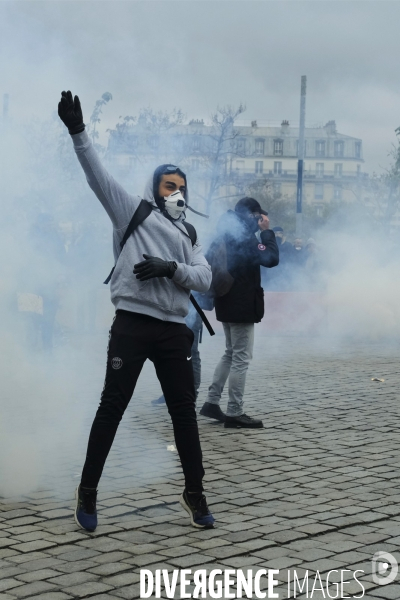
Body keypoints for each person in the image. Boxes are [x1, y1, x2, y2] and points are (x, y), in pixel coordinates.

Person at [58, 90, 215, 532]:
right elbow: (98, 177)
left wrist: (173, 269)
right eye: (170, 185)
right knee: (112, 407)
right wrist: (78, 133)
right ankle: (87, 491)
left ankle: (195, 494)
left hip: (173, 331)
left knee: (184, 413)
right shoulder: (133, 212)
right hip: (131, 325)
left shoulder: (189, 233)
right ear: (154, 187)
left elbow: (205, 277)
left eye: (182, 186)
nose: (178, 192)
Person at [200, 197, 279, 428]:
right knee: (241, 357)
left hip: (227, 301)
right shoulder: (244, 237)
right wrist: (267, 232)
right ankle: (235, 411)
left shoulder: (226, 232)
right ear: (251, 215)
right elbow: (271, 258)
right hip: (241, 304)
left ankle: (212, 402)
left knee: (230, 353)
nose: (260, 220)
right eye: (258, 216)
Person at [152, 295, 203, 405]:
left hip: (191, 307)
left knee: (190, 353)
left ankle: (191, 394)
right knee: (168, 350)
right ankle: (170, 391)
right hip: (170, 306)